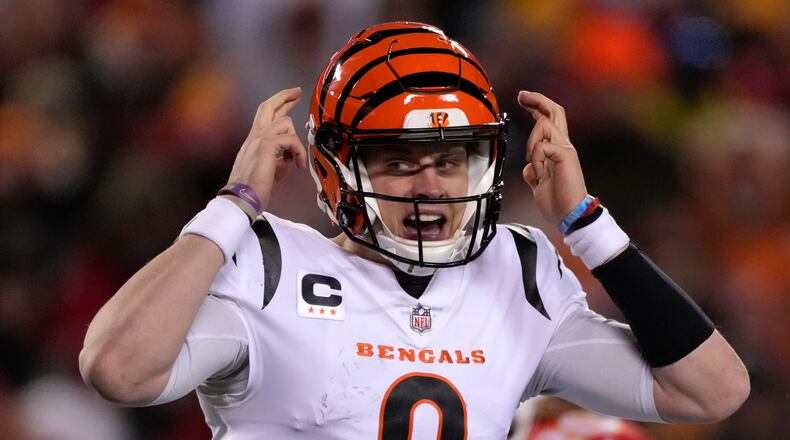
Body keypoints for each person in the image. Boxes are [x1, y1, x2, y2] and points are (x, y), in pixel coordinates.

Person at [79, 22, 749, 439]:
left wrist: (587, 227)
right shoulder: (268, 261)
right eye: (398, 161)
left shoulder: (516, 272)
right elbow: (118, 369)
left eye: (451, 160)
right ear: (335, 167)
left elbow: (713, 389)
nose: (430, 186)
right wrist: (234, 204)